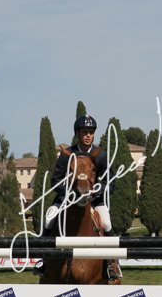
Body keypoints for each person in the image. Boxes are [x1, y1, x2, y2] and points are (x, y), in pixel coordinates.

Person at [34, 115, 122, 281]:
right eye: (85, 132)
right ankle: (43, 261)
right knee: (49, 218)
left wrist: (97, 191)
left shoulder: (100, 155)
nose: (88, 135)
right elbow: (55, 180)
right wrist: (70, 193)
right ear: (77, 133)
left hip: (93, 200)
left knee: (106, 222)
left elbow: (111, 182)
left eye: (91, 132)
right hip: (67, 199)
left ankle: (111, 264)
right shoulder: (67, 154)